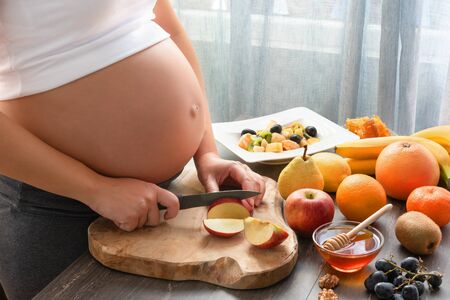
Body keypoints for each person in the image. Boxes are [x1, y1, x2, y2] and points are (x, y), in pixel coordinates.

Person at [0, 1, 266, 299]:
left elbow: (166, 26)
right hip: (60, 210)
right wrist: (96, 190)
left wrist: (206, 152)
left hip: (161, 201)